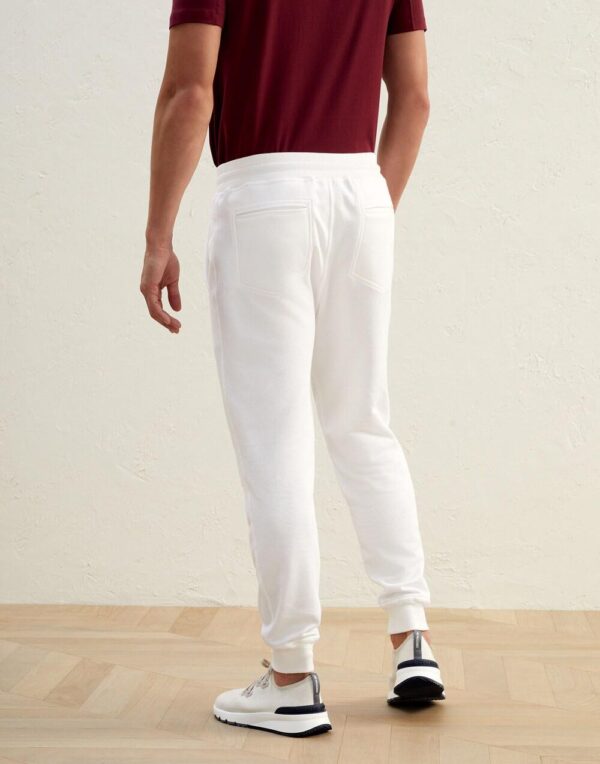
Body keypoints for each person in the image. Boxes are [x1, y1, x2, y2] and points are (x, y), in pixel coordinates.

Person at [140, 0, 445, 737]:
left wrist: (157, 237)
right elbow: (414, 97)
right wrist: (368, 213)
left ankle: (291, 675)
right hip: (360, 194)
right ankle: (412, 639)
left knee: (275, 440)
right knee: (363, 422)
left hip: (264, 192)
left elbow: (190, 91)